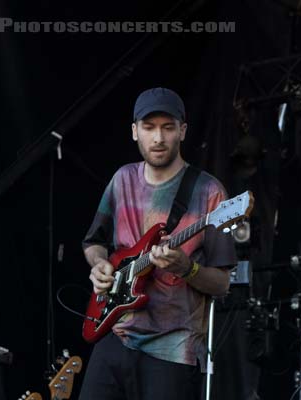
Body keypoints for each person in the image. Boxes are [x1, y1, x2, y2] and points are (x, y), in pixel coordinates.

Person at [79, 87, 237, 400]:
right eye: (149, 128)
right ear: (134, 131)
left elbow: (222, 283)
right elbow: (93, 242)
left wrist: (188, 268)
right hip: (115, 331)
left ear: (183, 130)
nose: (158, 138)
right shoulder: (122, 179)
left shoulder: (210, 193)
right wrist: (99, 265)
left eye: (167, 127)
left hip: (172, 347)